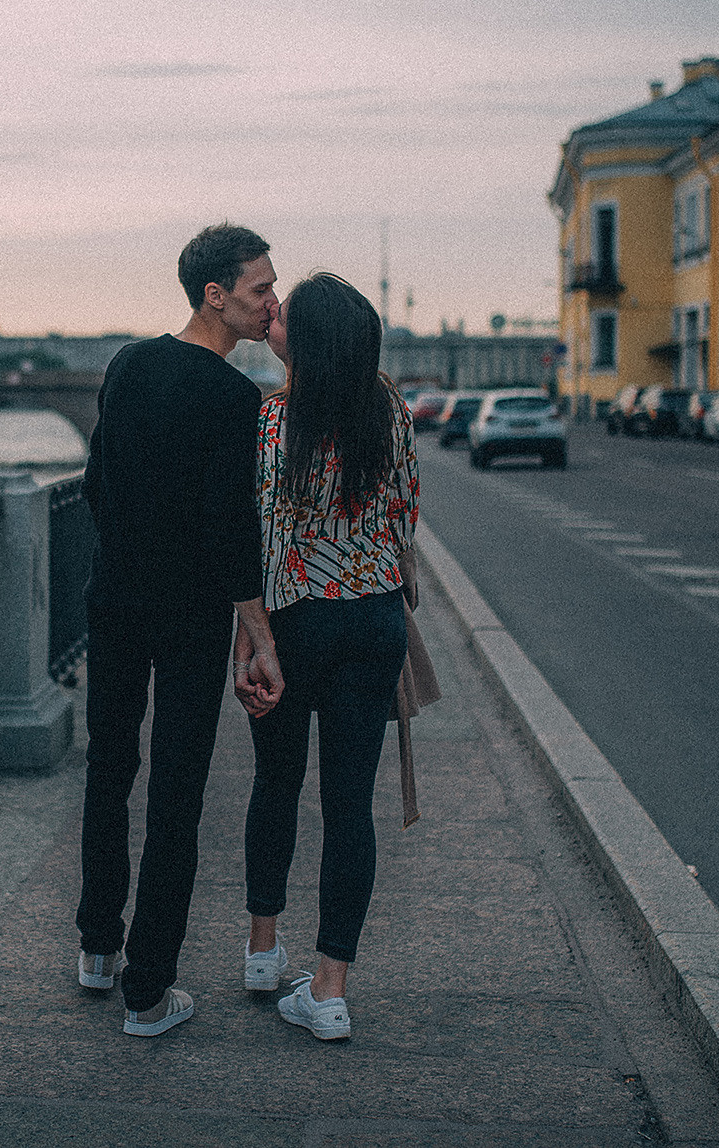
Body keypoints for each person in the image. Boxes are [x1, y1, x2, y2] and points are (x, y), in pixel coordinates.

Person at [77, 221, 285, 1037]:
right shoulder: (237, 400)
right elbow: (235, 532)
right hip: (191, 614)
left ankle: (98, 950)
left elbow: (97, 484)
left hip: (116, 597)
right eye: (260, 288)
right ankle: (148, 991)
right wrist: (259, 631)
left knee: (108, 768)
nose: (271, 302)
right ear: (217, 295)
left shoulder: (128, 364)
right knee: (175, 795)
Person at [233, 272, 418, 1041]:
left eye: (286, 316)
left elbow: (260, 542)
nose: (272, 316)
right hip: (374, 625)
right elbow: (409, 515)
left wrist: (256, 643)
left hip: (295, 626)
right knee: (350, 806)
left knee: (276, 782)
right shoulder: (392, 411)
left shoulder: (271, 422)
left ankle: (262, 951)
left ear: (303, 344)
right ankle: (330, 990)